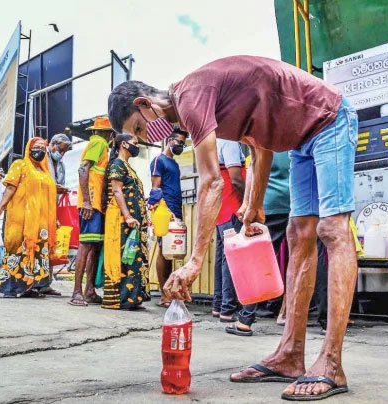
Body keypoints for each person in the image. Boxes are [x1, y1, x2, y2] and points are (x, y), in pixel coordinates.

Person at [108, 55, 358, 400]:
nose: (145, 137)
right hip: (300, 139)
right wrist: (254, 204)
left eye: (139, 128)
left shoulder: (190, 97)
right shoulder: (201, 103)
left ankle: (331, 363)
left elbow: (212, 184)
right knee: (298, 234)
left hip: (329, 119)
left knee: (333, 229)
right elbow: (260, 146)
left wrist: (195, 261)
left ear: (145, 104)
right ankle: (290, 355)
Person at [226, 151, 291, 337]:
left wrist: (249, 204)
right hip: (295, 204)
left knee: (256, 262)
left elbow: (255, 169)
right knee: (297, 262)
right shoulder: (294, 138)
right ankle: (292, 318)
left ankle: (245, 320)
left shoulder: (263, 140)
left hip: (268, 204)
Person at [0, 137, 57, 298]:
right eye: (36, 147)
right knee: (17, 249)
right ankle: (11, 288)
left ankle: (31, 287)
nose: (40, 150)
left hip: (41, 222)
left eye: (43, 148)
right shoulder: (20, 165)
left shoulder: (44, 171)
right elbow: (10, 187)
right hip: (21, 218)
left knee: (38, 251)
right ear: (29, 148)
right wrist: (1, 207)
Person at [69, 117, 115, 307]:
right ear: (109, 133)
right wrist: (87, 201)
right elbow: (83, 169)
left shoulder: (101, 144)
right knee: (86, 245)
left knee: (94, 247)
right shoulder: (99, 143)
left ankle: (89, 290)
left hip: (97, 204)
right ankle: (77, 292)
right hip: (91, 204)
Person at [101, 133, 149, 310]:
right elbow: (117, 191)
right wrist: (128, 216)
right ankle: (121, 299)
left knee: (134, 257)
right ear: (123, 144)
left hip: (133, 221)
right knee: (125, 257)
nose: (136, 146)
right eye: (134, 143)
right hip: (121, 220)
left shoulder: (128, 166)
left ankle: (134, 298)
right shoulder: (117, 164)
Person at [148, 127, 187, 307]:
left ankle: (169, 292)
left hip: (176, 210)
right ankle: (163, 295)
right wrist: (164, 209)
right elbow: (156, 189)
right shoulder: (159, 160)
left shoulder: (175, 164)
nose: (181, 145)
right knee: (164, 250)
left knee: (171, 252)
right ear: (169, 141)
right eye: (179, 141)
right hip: (165, 210)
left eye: (183, 143)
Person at [212, 139, 246, 322]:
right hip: (233, 207)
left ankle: (219, 305)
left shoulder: (213, 141)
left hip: (220, 208)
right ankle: (228, 309)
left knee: (222, 257)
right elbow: (236, 180)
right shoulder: (230, 142)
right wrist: (248, 203)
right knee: (232, 258)